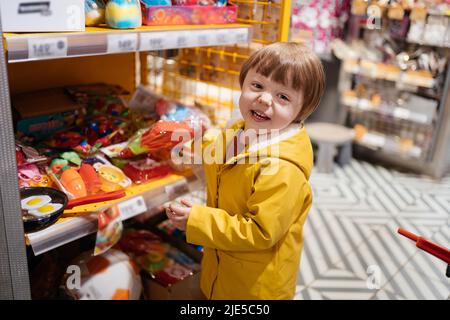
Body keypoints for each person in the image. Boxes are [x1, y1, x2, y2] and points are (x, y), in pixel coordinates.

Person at [166, 42, 325, 299]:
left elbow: (261, 231)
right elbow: (222, 146)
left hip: (255, 287)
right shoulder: (242, 129)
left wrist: (195, 220)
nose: (264, 99)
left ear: (301, 111)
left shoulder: (282, 169)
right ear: (243, 83)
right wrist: (193, 147)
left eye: (282, 96)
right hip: (223, 268)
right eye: (258, 86)